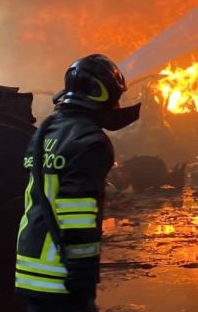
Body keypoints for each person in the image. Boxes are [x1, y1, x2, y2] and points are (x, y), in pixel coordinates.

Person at [14, 55, 141, 311]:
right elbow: (77, 213)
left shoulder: (48, 131)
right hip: (60, 273)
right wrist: (82, 275)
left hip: (30, 266)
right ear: (100, 95)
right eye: (116, 99)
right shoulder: (90, 141)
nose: (117, 107)